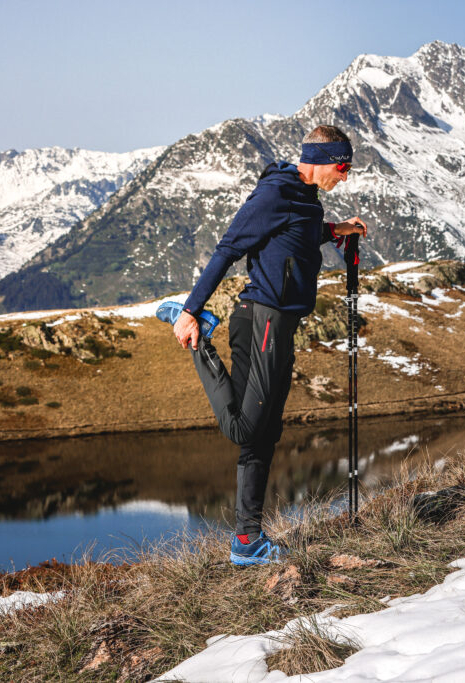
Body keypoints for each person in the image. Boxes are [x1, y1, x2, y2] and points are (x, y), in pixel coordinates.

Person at [157, 125, 368, 565]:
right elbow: (229, 248)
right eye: (342, 167)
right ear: (320, 157)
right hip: (261, 320)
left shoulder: (307, 199)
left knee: (265, 435)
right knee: (244, 430)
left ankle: (246, 542)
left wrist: (337, 230)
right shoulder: (275, 193)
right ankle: (197, 338)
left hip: (279, 324)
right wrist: (193, 309)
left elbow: (299, 235)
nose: (344, 176)